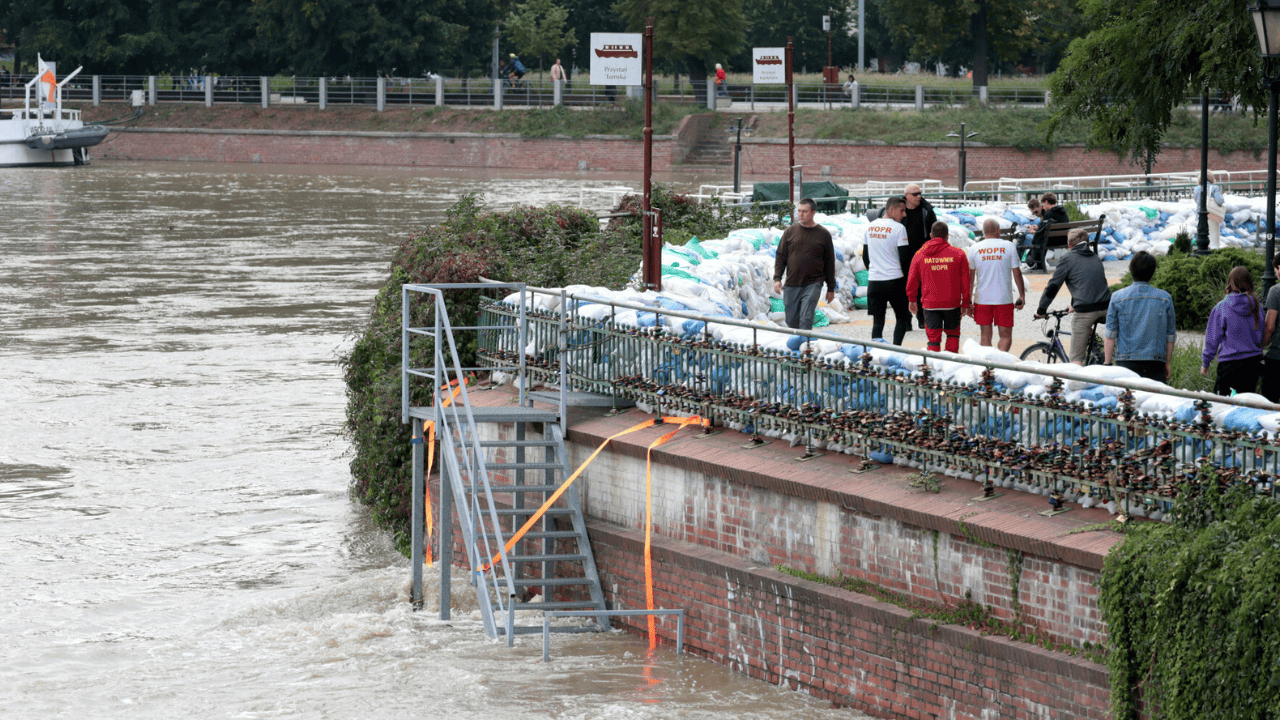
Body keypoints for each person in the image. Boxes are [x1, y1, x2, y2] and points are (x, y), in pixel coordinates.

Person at [1036, 227, 1112, 365]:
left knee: (1075, 359)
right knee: (1087, 326)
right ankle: (1096, 353)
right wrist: (1074, 304)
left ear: (1069, 245)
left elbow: (1053, 286)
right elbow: (1087, 282)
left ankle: (1077, 372)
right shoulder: (1095, 258)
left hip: (1086, 311)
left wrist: (1041, 310)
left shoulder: (1067, 259)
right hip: (1106, 307)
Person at [1103, 251, 1176, 383]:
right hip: (1155, 362)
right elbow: (1170, 336)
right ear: (1153, 272)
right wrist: (1167, 362)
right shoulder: (1165, 298)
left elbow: (1110, 334)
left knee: (1127, 401)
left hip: (1126, 362)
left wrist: (1107, 363)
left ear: (1131, 269)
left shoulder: (1117, 297)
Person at [906, 221, 971, 353]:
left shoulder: (919, 255)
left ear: (931, 235)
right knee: (953, 335)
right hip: (952, 304)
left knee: (933, 341)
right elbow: (966, 282)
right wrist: (965, 303)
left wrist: (912, 299)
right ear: (947, 236)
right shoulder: (959, 254)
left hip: (930, 305)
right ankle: (950, 366)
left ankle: (934, 367)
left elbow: (912, 281)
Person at [773, 198, 836, 330]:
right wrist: (777, 278)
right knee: (791, 321)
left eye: (804, 211)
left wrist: (831, 288)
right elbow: (781, 256)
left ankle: (805, 348)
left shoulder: (823, 234)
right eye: (799, 211)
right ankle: (799, 345)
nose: (800, 214)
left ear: (813, 212)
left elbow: (830, 262)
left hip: (813, 283)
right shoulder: (790, 232)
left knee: (806, 317)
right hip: (792, 283)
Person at [1202, 266, 1264, 396]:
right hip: (1253, 362)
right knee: (1247, 404)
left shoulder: (1222, 307)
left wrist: (1206, 363)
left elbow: (1212, 339)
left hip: (1229, 364)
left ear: (1230, 283)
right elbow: (1261, 333)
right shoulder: (1257, 306)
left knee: (1222, 404)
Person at [967, 218, 1026, 352]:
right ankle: (1000, 363)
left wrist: (968, 300)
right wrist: (1022, 295)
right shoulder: (1009, 246)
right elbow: (1017, 273)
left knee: (985, 337)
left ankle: (989, 367)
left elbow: (970, 278)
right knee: (1005, 336)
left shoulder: (974, 248)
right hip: (1003, 298)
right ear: (998, 231)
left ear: (983, 232)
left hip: (982, 299)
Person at [862, 195, 913, 345]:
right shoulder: (899, 228)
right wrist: (908, 280)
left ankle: (876, 350)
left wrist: (874, 269)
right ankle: (896, 350)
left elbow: (865, 256)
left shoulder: (870, 227)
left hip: (874, 281)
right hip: (894, 280)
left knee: (878, 321)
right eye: (902, 211)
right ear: (891, 209)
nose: (904, 215)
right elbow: (904, 259)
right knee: (902, 317)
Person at [1025, 192, 1069, 272]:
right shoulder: (1062, 211)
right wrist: (1038, 229)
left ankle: (1035, 263)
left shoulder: (1049, 214)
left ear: (1046, 202)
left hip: (1054, 241)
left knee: (1038, 240)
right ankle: (1037, 264)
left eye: (1043, 203)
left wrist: (1034, 232)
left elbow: (1039, 236)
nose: (1043, 207)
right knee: (1040, 239)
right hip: (1064, 239)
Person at [1261, 253, 1280, 401]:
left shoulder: (1276, 291)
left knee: (1269, 403)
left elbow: (1269, 327)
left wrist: (1261, 346)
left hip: (1277, 357)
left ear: (1279, 268)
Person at [1193, 171, 1226, 249]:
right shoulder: (1214, 188)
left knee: (1202, 239)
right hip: (1212, 215)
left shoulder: (1196, 189)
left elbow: (1196, 201)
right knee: (1214, 240)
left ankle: (1203, 255)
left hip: (1199, 216)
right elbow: (1220, 201)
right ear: (1211, 178)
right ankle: (1213, 256)